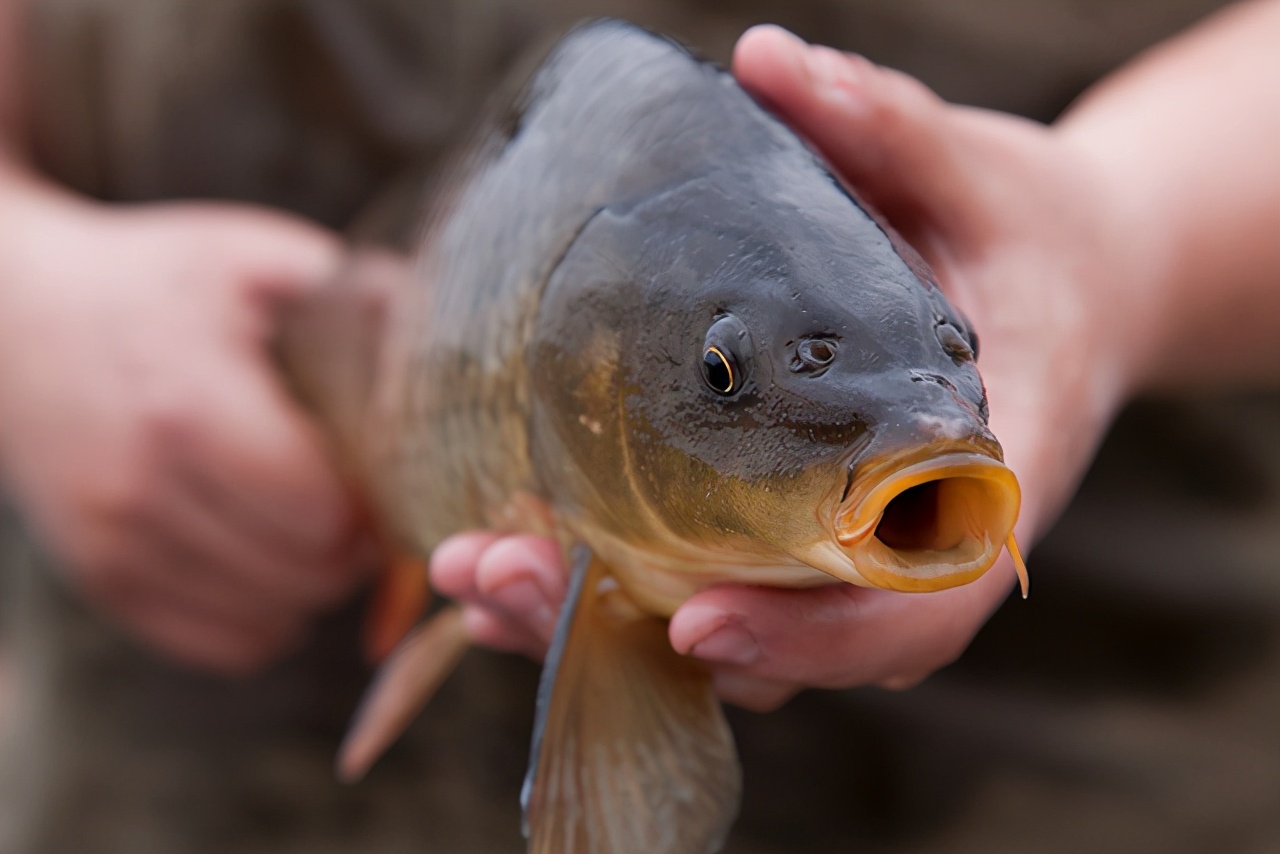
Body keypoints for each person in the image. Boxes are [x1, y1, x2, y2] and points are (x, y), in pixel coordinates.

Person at [427, 0, 1280, 710]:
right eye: (723, 376)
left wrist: (1113, 243)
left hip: (1120, 641)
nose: (934, 416)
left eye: (956, 349)